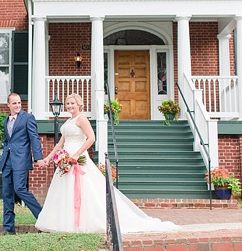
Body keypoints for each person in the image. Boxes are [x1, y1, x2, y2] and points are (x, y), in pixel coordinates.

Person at [35, 93, 179, 233]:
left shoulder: (82, 119)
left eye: (72, 103)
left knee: (85, 192)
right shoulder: (68, 122)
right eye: (68, 103)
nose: (69, 106)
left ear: (79, 105)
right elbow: (60, 143)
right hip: (65, 161)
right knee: (66, 191)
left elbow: (91, 138)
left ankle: (84, 222)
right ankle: (64, 222)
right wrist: (48, 158)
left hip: (78, 160)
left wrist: (77, 154)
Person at [0, 93, 46, 235]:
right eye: (14, 103)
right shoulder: (6, 121)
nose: (18, 105)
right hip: (7, 161)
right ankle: (8, 227)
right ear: (8, 105)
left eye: (19, 103)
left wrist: (38, 158)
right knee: (7, 193)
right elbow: (8, 140)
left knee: (20, 189)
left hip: (21, 161)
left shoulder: (28, 118)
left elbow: (34, 139)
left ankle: (43, 218)